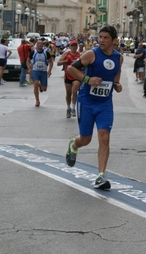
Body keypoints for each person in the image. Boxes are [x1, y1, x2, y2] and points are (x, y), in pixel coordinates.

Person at [65, 25, 123, 190]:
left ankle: (101, 176)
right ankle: (73, 145)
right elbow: (71, 69)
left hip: (105, 104)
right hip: (86, 102)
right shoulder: (92, 54)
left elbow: (115, 77)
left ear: (114, 41)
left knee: (104, 137)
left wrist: (117, 85)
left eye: (106, 38)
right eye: (100, 37)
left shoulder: (119, 58)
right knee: (85, 139)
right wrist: (87, 79)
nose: (102, 40)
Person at [57, 40, 81, 118]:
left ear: (77, 47)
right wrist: (66, 61)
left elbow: (84, 64)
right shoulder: (66, 54)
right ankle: (68, 108)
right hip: (68, 76)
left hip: (76, 77)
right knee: (68, 93)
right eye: (72, 46)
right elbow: (58, 63)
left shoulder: (79, 55)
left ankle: (73, 108)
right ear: (70, 46)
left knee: (74, 91)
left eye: (75, 46)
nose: (74, 47)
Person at [26, 38, 53, 107]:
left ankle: (41, 86)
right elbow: (28, 60)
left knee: (44, 89)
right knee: (35, 85)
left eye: (41, 43)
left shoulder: (46, 53)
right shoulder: (33, 52)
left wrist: (49, 70)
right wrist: (29, 68)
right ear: (36, 45)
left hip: (43, 72)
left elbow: (51, 61)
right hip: (35, 71)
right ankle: (37, 100)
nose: (40, 45)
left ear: (43, 45)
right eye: (38, 43)